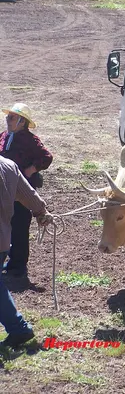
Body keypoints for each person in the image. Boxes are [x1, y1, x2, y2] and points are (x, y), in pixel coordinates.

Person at [0, 156, 53, 348]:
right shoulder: (7, 165)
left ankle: (19, 328)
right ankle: (18, 328)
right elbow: (27, 194)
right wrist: (41, 212)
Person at [1, 103, 53, 277]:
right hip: (5, 189)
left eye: (12, 117)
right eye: (8, 117)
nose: (8, 120)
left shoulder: (30, 140)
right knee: (6, 223)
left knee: (20, 227)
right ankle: (7, 258)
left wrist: (30, 170)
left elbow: (46, 157)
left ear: (22, 122)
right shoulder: (3, 136)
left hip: (22, 190)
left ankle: (18, 265)